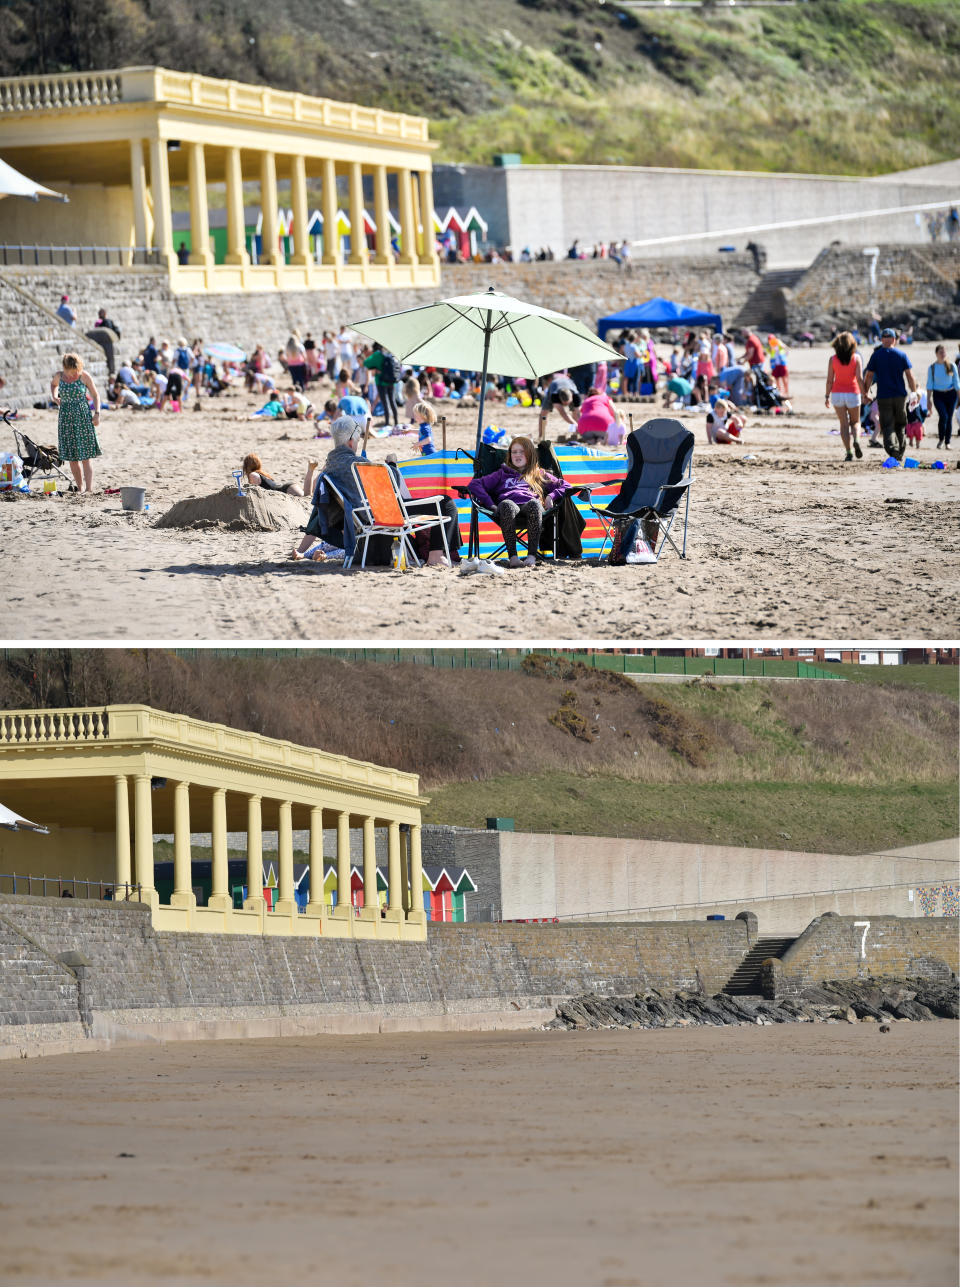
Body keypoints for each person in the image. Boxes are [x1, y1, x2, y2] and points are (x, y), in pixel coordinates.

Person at [467, 436, 568, 569]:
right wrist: (490, 504)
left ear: (530, 454)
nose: (517, 455)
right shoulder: (502, 474)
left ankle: (531, 555)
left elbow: (566, 485)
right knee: (506, 504)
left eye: (522, 451)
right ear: (509, 456)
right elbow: (474, 485)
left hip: (532, 508)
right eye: (514, 452)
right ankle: (513, 557)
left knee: (534, 504)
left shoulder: (538, 473)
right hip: (507, 508)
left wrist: (551, 496)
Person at [862, 328, 917, 462]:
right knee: (900, 424)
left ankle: (893, 450)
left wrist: (865, 392)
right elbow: (910, 376)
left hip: (884, 396)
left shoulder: (876, 355)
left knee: (887, 425)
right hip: (900, 396)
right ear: (894, 340)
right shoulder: (901, 354)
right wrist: (914, 392)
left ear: (882, 340)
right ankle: (900, 452)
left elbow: (868, 376)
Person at [49, 352, 101, 492]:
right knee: (72, 457)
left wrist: (97, 414)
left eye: (74, 370)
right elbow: (53, 385)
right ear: (64, 367)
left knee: (85, 456)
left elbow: (96, 395)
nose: (72, 374)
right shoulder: (59, 376)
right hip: (65, 419)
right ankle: (80, 487)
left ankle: (89, 489)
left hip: (83, 418)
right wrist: (54, 397)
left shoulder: (84, 376)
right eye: (69, 370)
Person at [824, 331, 865, 462]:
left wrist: (826, 396)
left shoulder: (833, 359)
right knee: (856, 422)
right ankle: (857, 440)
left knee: (843, 424)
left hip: (837, 394)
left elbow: (829, 380)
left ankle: (849, 452)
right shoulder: (856, 358)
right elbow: (859, 378)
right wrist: (865, 393)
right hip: (853, 393)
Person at [926, 344, 959, 450]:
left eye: (944, 352)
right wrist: (928, 400)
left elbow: (956, 383)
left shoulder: (952, 365)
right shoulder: (932, 368)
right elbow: (929, 384)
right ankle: (941, 439)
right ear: (936, 354)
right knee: (943, 416)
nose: (943, 354)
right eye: (940, 352)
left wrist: (959, 397)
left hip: (951, 394)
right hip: (938, 395)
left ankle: (947, 442)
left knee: (949, 418)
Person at [242, 453, 317, 497]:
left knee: (307, 497)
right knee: (310, 495)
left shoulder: (253, 474)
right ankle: (323, 469)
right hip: (288, 487)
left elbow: (256, 492)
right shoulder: (262, 473)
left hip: (286, 489)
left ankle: (311, 470)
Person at [537, 374, 581, 438]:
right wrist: (575, 424)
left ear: (572, 397)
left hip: (568, 383)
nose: (566, 405)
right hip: (554, 386)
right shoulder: (554, 396)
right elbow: (563, 414)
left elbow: (577, 414)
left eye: (567, 403)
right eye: (564, 404)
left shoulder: (576, 396)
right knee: (543, 414)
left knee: (576, 413)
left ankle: (578, 433)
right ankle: (541, 435)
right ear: (560, 400)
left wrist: (579, 426)